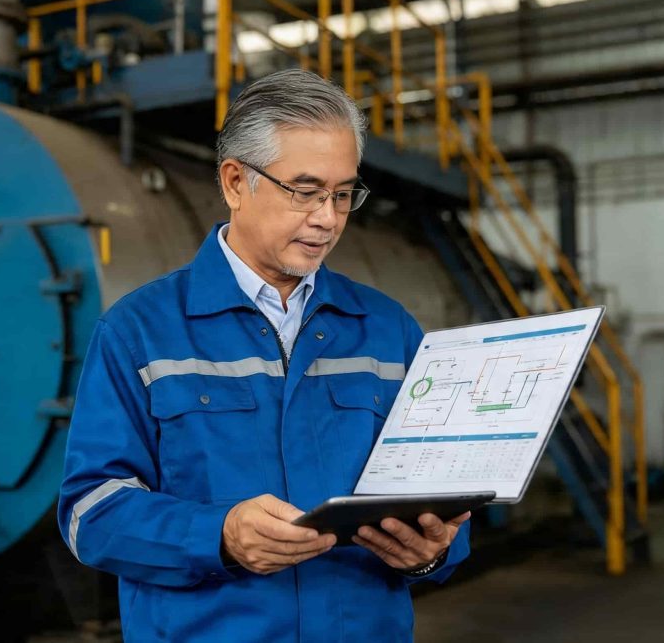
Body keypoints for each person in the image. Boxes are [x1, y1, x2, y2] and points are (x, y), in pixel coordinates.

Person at [57, 69, 471, 642]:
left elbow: (444, 498)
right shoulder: (139, 332)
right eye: (305, 191)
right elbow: (89, 514)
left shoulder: (388, 331)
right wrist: (218, 534)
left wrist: (431, 554)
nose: (327, 217)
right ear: (234, 182)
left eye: (343, 193)